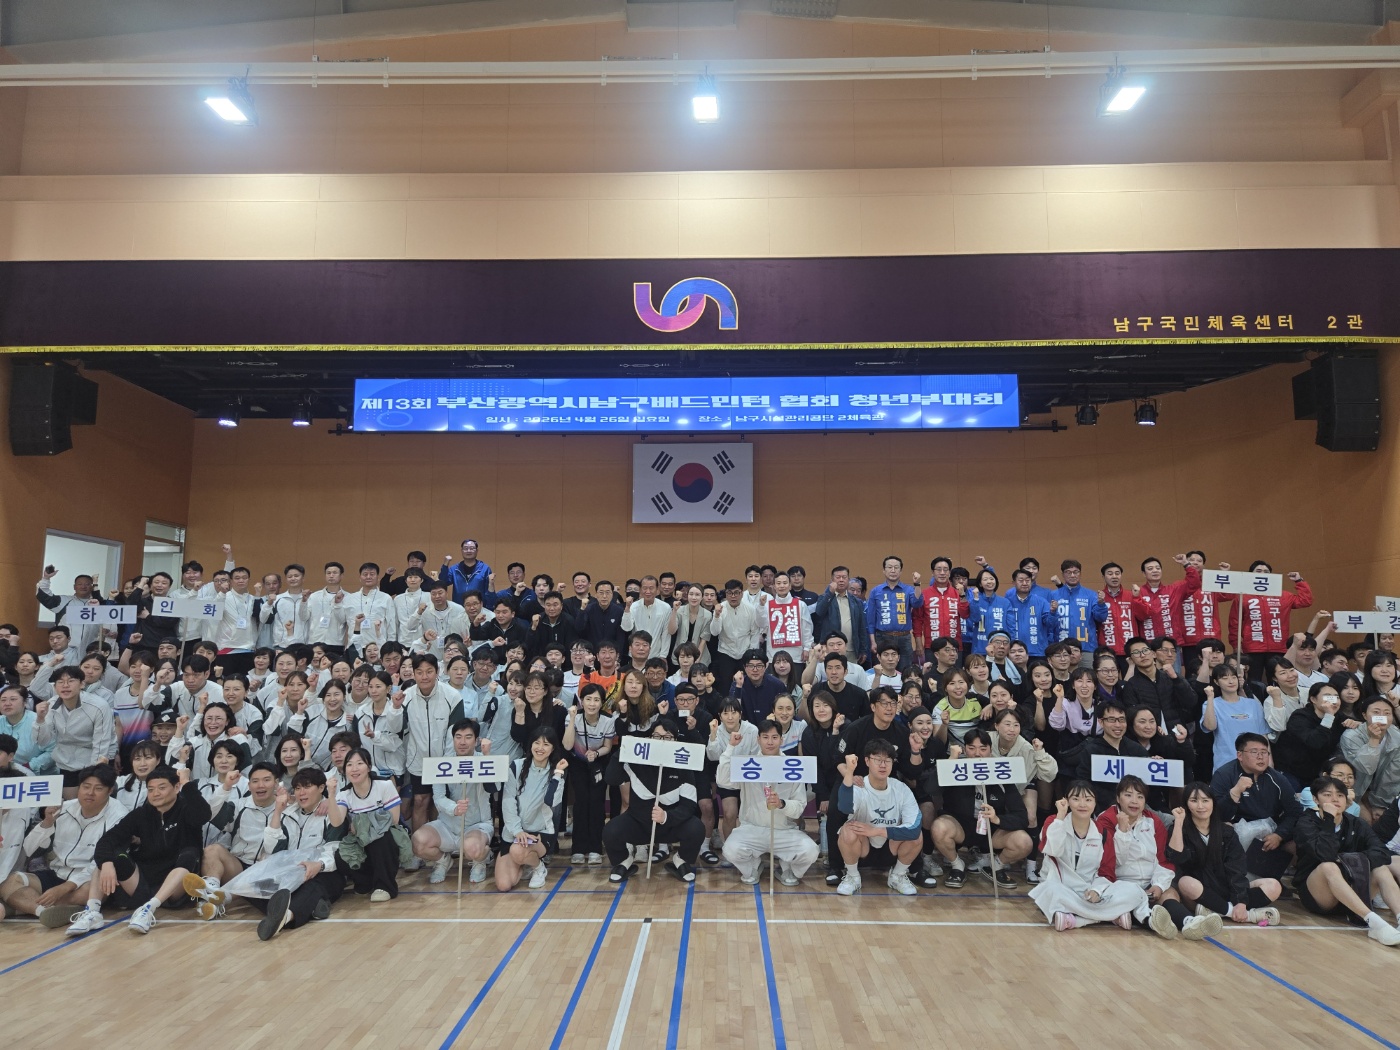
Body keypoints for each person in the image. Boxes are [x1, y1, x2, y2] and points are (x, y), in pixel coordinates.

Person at [0, 764, 127, 932]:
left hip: (87, 879)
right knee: (10, 881)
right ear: (79, 787)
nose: (90, 793)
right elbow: (29, 849)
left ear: (110, 791)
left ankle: (21, 906)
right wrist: (47, 823)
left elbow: (101, 860)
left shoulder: (119, 815)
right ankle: (44, 911)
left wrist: (65, 887)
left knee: (96, 889)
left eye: (98, 788)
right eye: (86, 786)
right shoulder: (63, 809)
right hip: (56, 873)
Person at [91, 763, 212, 933]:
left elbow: (203, 815)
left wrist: (186, 783)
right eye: (151, 789)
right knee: (107, 857)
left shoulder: (187, 809)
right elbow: (107, 840)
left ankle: (149, 909)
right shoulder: (141, 814)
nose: (155, 793)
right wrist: (106, 863)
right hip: (142, 884)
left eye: (162, 788)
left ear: (176, 787)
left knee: (189, 853)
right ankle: (91, 912)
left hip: (174, 889)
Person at [1093, 776, 1214, 940]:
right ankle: (1149, 920)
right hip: (1121, 884)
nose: (1134, 801)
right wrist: (1122, 832)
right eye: (1128, 795)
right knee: (1134, 897)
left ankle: (1190, 922)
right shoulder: (1105, 820)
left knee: (1169, 893)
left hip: (1149, 883)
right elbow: (1112, 861)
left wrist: (1158, 885)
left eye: (1140, 796)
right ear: (1118, 798)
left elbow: (1163, 861)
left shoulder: (1153, 821)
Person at [1293, 774, 1400, 945]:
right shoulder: (1306, 822)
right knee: (1328, 867)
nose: (1335, 799)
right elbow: (1325, 855)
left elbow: (1381, 852)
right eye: (1327, 795)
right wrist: (1329, 819)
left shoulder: (1356, 823)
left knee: (1381, 867)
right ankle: (1375, 923)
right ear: (1315, 799)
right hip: (1319, 894)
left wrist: (1354, 859)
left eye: (1340, 795)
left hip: (1354, 889)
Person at [1030, 781, 1150, 931]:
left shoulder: (1103, 832)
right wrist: (1060, 816)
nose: (1082, 804)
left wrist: (1097, 890)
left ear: (1094, 803)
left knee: (1134, 890)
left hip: (1090, 891)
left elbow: (1106, 871)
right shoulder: (1054, 822)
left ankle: (1074, 919)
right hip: (1062, 888)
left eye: (1088, 799)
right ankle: (1110, 916)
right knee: (1049, 891)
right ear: (1066, 801)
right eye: (1076, 799)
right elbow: (1053, 850)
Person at [715, 718, 819, 885]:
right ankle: (753, 866)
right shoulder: (748, 764)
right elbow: (723, 780)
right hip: (752, 828)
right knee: (729, 849)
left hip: (783, 830)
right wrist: (731, 747)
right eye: (765, 737)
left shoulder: (792, 766)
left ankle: (787, 868)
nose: (770, 742)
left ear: (781, 740)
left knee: (811, 851)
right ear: (758, 739)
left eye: (774, 737)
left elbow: (799, 807)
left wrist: (782, 804)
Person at [604, 718, 706, 884]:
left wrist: (666, 816)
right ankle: (624, 862)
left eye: (667, 737)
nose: (662, 741)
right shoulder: (637, 761)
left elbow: (689, 806)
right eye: (657, 736)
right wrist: (621, 752)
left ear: (675, 740)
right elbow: (611, 778)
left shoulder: (684, 766)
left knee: (697, 828)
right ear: (649, 738)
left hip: (671, 825)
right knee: (610, 831)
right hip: (639, 823)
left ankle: (681, 861)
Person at [1167, 782, 1282, 926]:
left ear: (1213, 803)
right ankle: (1245, 915)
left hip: (1227, 888)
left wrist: (1240, 901)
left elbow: (1236, 867)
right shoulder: (1179, 829)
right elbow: (1176, 857)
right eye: (1194, 801)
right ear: (1186, 804)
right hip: (1199, 893)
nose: (1200, 806)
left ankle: (1220, 911)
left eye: (1205, 800)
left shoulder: (1226, 832)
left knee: (1274, 886)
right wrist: (1179, 822)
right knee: (1185, 882)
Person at [932, 732, 1032, 889]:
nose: (977, 753)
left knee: (1024, 841)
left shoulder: (1001, 772)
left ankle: (995, 866)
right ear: (965, 749)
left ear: (991, 750)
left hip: (992, 830)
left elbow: (1022, 817)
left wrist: (998, 819)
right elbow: (930, 789)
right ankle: (957, 866)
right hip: (962, 828)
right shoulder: (956, 769)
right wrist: (951, 761)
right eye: (972, 748)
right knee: (939, 827)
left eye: (983, 749)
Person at [834, 740, 924, 896]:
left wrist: (876, 831)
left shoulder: (901, 789)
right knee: (848, 830)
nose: (883, 765)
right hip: (863, 848)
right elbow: (844, 807)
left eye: (887, 760)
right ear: (867, 761)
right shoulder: (859, 786)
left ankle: (897, 876)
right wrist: (849, 772)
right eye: (877, 760)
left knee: (917, 836)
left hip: (891, 846)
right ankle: (852, 876)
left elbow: (914, 828)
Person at [1208, 733, 1302, 882]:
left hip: (1270, 833)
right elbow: (1215, 814)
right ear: (1240, 755)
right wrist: (1235, 792)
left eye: (1264, 752)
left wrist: (1279, 834)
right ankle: (1228, 879)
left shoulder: (1277, 778)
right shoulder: (1224, 775)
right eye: (1254, 752)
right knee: (1224, 829)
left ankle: (1280, 880)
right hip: (1236, 830)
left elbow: (1295, 812)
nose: (1260, 757)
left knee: (1303, 834)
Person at [497, 727, 567, 892]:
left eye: (546, 744)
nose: (540, 748)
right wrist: (517, 831)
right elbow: (508, 801)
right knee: (504, 884)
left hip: (540, 832)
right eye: (537, 743)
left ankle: (538, 867)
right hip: (514, 832)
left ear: (553, 749)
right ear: (530, 745)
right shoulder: (516, 766)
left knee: (517, 850)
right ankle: (524, 862)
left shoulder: (556, 773)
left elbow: (551, 801)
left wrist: (558, 774)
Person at [33, 666, 117, 795]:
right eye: (60, 682)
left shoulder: (99, 706)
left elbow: (101, 744)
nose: (65, 686)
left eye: (71, 681)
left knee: (93, 796)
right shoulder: (51, 705)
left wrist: (94, 774)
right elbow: (42, 741)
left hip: (96, 758)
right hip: (66, 761)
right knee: (71, 801)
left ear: (82, 684)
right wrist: (40, 719)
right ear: (55, 687)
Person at [336, 747, 404, 901]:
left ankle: (385, 886)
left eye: (359, 763)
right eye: (349, 765)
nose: (354, 769)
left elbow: (393, 820)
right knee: (341, 854)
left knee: (380, 840)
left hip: (387, 838)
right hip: (361, 840)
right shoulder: (343, 793)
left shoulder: (384, 785)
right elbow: (337, 821)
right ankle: (365, 882)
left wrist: (362, 825)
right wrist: (331, 794)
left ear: (369, 767)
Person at [566, 684, 617, 866]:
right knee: (581, 802)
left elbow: (608, 747)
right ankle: (578, 848)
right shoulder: (573, 717)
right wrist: (572, 719)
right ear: (582, 701)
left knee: (596, 803)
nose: (592, 704)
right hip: (578, 763)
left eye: (596, 700)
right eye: (588, 699)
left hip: (598, 762)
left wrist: (596, 754)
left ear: (602, 702)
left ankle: (596, 848)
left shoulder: (608, 720)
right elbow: (567, 745)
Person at [1075, 699, 1150, 814]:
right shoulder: (1091, 751)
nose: (1118, 725)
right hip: (1104, 808)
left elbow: (1147, 784)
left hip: (1137, 807)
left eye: (1121, 719)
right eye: (1111, 720)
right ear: (1101, 722)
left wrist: (1155, 764)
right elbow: (1084, 784)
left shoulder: (1137, 749)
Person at [1273, 681, 1351, 791]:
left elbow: (1355, 722)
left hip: (1316, 772)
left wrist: (1355, 723)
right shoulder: (1299, 716)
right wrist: (1329, 716)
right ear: (1313, 699)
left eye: (1336, 697)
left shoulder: (1338, 716)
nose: (1333, 701)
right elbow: (1315, 742)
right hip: (1290, 770)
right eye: (1328, 697)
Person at [1340, 696, 1400, 822]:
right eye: (1376, 712)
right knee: (1366, 821)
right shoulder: (1351, 737)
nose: (1382, 716)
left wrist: (1379, 804)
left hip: (1379, 789)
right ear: (1364, 715)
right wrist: (1373, 741)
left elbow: (1393, 775)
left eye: (1387, 713)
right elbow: (1365, 769)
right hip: (1353, 788)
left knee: (1383, 820)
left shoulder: (1396, 736)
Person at [1199, 664, 1269, 773]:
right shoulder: (1212, 704)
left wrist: (1269, 761)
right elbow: (1210, 726)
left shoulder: (1253, 704)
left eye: (1233, 677)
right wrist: (1210, 698)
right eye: (1225, 678)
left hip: (1255, 762)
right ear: (1216, 682)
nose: (1231, 681)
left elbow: (1263, 734)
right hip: (1226, 763)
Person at [864, 555, 922, 671]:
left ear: (901, 571)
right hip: (883, 637)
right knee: (883, 671)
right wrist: (873, 642)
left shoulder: (909, 589)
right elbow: (870, 620)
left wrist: (917, 584)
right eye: (889, 567)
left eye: (896, 567)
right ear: (884, 570)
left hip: (904, 637)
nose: (893, 570)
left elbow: (917, 603)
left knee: (905, 671)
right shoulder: (876, 591)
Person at [811, 567, 870, 667]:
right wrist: (830, 593)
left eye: (844, 577)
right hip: (830, 649)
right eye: (838, 577)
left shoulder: (856, 601)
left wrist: (863, 650)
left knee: (851, 674)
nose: (841, 580)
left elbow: (861, 627)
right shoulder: (825, 597)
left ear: (848, 580)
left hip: (851, 649)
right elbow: (819, 612)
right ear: (832, 580)